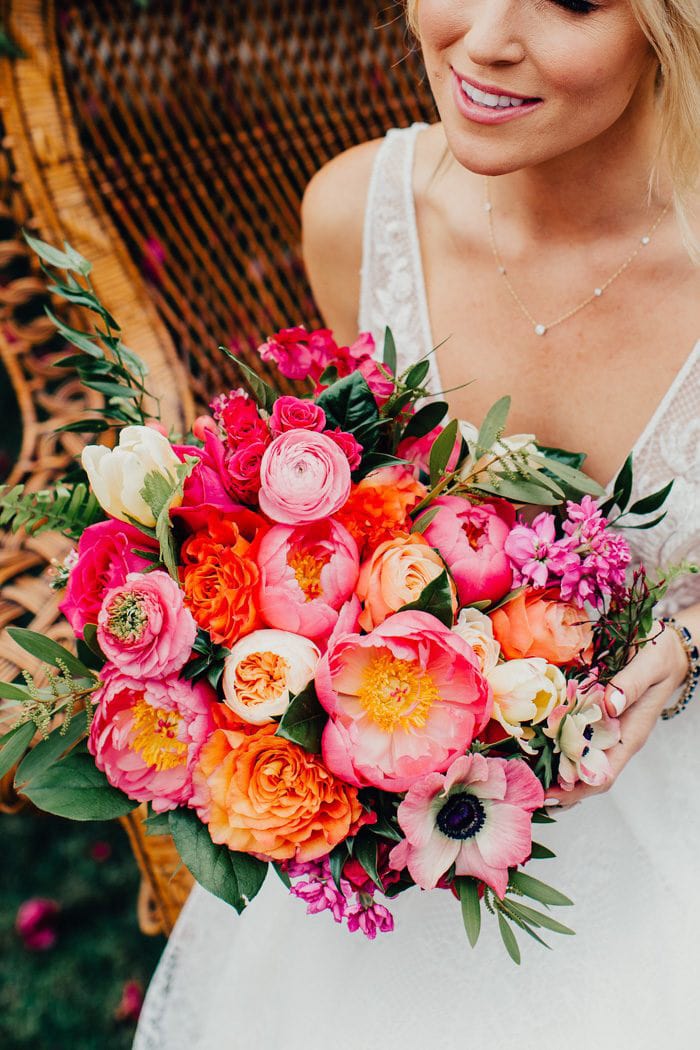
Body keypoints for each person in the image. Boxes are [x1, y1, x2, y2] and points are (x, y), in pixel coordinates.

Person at [134, 2, 700, 1047]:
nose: (483, 37)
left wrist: (690, 639)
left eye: (571, 0)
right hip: (410, 869)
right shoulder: (360, 212)